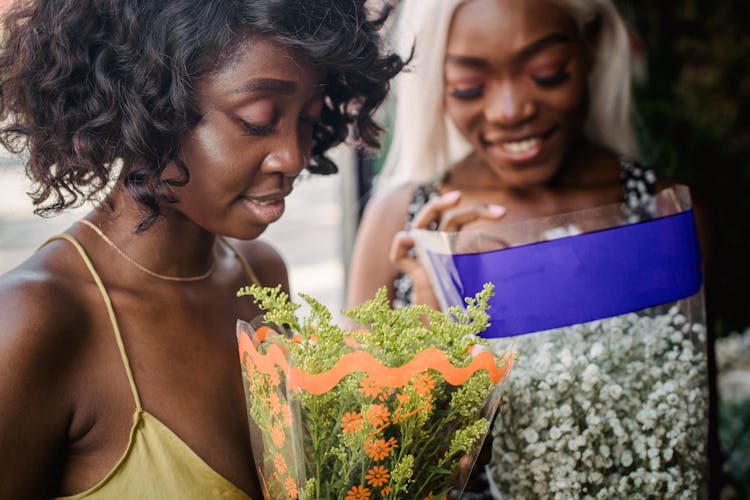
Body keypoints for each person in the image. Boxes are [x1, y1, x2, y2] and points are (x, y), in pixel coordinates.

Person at [0, 1, 403, 498]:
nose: (294, 155)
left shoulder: (260, 276)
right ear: (148, 102)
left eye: (308, 118)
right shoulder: (34, 322)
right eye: (258, 120)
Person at [346, 0, 719, 496]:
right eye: (470, 87)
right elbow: (356, 451)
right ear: (438, 86)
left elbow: (697, 433)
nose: (511, 110)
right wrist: (429, 316)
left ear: (589, 50)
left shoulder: (665, 215)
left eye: (546, 74)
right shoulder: (402, 223)